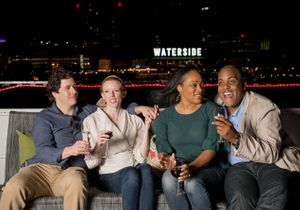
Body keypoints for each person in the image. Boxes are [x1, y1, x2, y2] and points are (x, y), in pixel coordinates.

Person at [0, 68, 158, 210]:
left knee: (77, 182)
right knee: (13, 187)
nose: (74, 91)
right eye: (68, 88)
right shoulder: (45, 117)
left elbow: (115, 105)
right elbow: (43, 150)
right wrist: (70, 150)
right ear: (55, 93)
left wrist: (139, 108)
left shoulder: (86, 111)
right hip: (42, 169)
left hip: (72, 171)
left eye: (74, 86)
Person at [213, 64, 300, 210]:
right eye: (221, 82)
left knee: (275, 192)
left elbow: (271, 154)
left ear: (244, 84)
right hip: (238, 167)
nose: (225, 87)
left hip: (271, 164)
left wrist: (236, 138)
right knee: (240, 198)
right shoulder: (217, 105)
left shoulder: (265, 107)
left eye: (232, 81)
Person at [153, 64, 225, 210]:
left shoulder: (211, 110)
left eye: (201, 85)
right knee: (167, 178)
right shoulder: (164, 117)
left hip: (210, 169)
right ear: (180, 88)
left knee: (191, 182)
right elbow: (163, 149)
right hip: (180, 168)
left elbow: (211, 148)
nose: (200, 89)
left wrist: (191, 168)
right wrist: (166, 161)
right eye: (194, 85)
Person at [83, 75, 158, 210]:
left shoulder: (134, 120)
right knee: (131, 173)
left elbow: (141, 157)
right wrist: (98, 144)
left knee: (146, 168)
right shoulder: (91, 121)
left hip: (133, 167)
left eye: (116, 91)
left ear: (123, 93)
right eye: (107, 91)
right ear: (102, 95)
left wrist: (146, 127)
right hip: (108, 174)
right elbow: (90, 163)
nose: (112, 95)